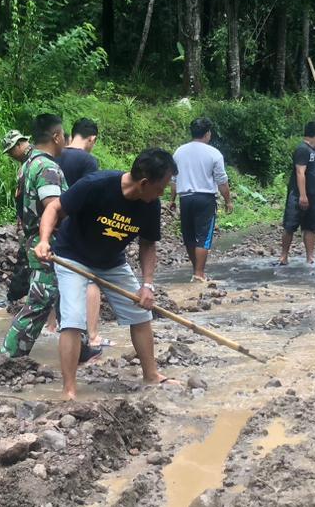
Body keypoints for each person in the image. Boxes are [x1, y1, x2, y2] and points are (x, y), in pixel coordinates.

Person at [35, 149, 178, 400]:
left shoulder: (150, 205)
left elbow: (148, 244)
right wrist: (44, 241)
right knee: (73, 319)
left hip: (111, 262)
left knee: (140, 313)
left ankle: (151, 375)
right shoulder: (96, 185)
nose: (162, 194)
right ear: (144, 183)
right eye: (161, 187)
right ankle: (69, 390)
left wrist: (148, 285)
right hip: (72, 256)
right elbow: (54, 209)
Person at [0, 114, 97, 361]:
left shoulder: (28, 165)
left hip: (38, 239)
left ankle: (81, 350)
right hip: (50, 242)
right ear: (56, 136)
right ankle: (8, 356)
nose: (66, 139)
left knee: (67, 295)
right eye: (63, 135)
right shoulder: (48, 167)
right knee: (41, 300)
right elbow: (53, 206)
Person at [57, 118, 104, 344]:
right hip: (75, 227)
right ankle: (92, 335)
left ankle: (51, 326)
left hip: (50, 224)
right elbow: (90, 197)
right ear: (92, 138)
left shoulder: (54, 155)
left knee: (56, 278)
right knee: (90, 279)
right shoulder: (88, 161)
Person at [169, 117, 233, 281]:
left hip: (185, 198)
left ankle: (195, 270)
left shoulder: (179, 151)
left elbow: (174, 179)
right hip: (205, 199)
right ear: (208, 133)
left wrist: (172, 199)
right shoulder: (214, 153)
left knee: (189, 235)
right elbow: (222, 181)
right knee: (203, 237)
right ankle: (199, 273)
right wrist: (228, 201)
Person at [278, 121, 315, 266]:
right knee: (290, 226)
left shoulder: (314, 151)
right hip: (298, 195)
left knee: (310, 227)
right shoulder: (302, 150)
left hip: (313, 195)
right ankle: (283, 256)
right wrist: (302, 195)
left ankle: (310, 257)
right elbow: (300, 172)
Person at [2, 130, 33, 304]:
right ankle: (18, 297)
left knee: (26, 259)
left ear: (20, 144)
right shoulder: (27, 163)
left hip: (35, 223)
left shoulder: (35, 162)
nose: (11, 155)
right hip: (28, 220)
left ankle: (16, 298)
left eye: (11, 150)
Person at [58, 118, 100, 186]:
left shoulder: (55, 153)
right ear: (92, 139)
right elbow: (89, 191)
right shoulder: (89, 161)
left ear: (71, 136)